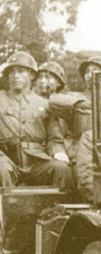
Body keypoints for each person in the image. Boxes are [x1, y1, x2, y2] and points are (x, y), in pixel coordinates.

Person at [0, 52, 73, 188]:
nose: (15, 76)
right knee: (1, 168)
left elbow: (54, 139)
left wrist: (58, 152)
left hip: (36, 162)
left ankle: (57, 208)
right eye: (11, 72)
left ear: (32, 75)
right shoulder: (1, 100)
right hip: (7, 159)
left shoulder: (44, 104)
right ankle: (8, 207)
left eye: (21, 72)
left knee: (61, 168)